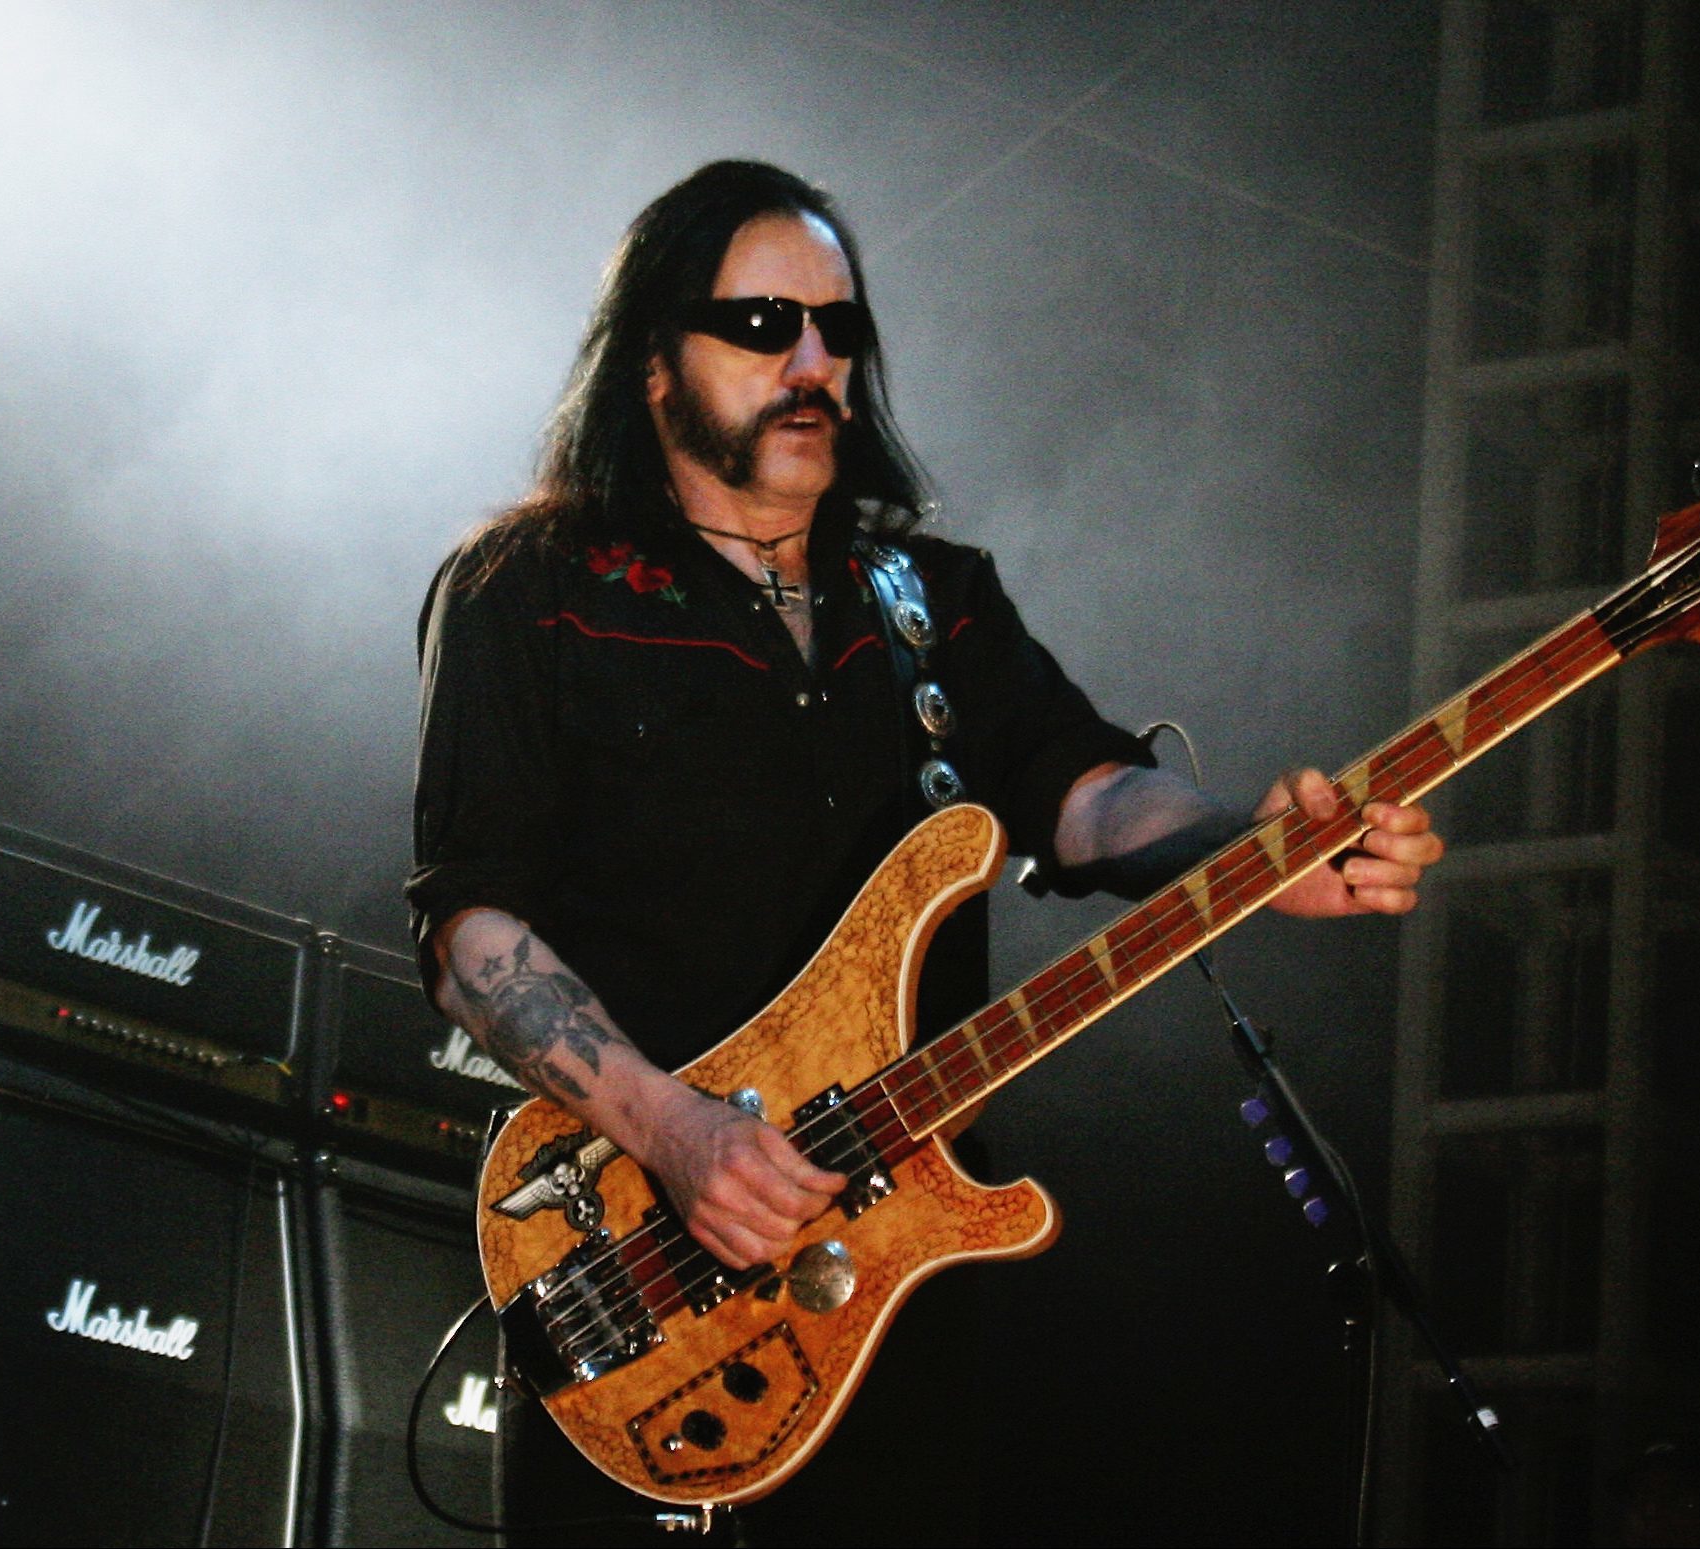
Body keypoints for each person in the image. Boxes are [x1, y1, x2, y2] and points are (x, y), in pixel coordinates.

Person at [406, 160, 1443, 1546]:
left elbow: (1080, 789)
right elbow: (474, 927)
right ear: (654, 362)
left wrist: (1248, 847)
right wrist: (678, 1128)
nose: (815, 362)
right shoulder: (529, 592)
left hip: (901, 1284)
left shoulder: (928, 602)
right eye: (764, 327)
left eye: (838, 330)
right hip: (648, 1272)